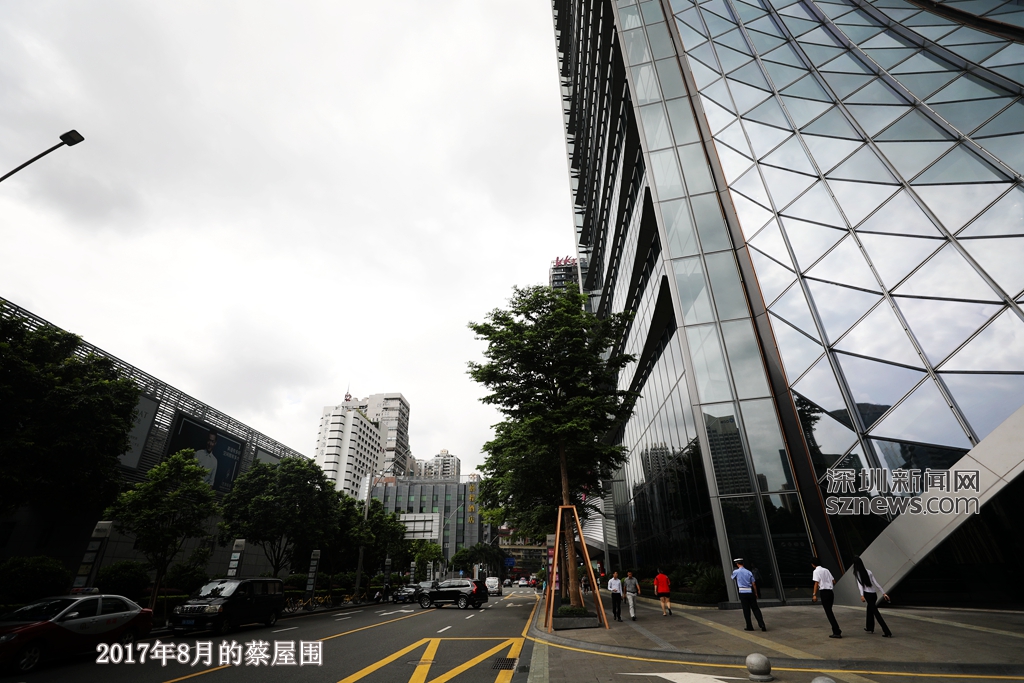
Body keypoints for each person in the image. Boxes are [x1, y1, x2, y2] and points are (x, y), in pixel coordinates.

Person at [853, 556, 892, 637]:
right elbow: (876, 583)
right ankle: (869, 627)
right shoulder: (869, 571)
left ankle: (887, 631)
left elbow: (860, 586)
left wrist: (862, 595)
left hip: (867, 594)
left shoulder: (858, 573)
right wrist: (884, 593)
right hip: (874, 594)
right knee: (870, 609)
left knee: (876, 612)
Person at [811, 557, 842, 638]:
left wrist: (814, 594)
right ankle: (836, 630)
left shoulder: (816, 571)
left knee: (829, 612)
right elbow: (833, 581)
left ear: (813, 564)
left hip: (824, 592)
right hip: (830, 592)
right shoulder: (826, 570)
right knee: (829, 610)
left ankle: (836, 631)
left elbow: (816, 583)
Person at [731, 558, 765, 632]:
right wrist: (756, 593)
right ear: (743, 563)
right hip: (750, 591)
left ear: (737, 564)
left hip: (742, 592)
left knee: (746, 610)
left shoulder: (736, 572)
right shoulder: (749, 572)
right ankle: (762, 624)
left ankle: (749, 626)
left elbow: (733, 578)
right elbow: (754, 583)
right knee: (755, 608)